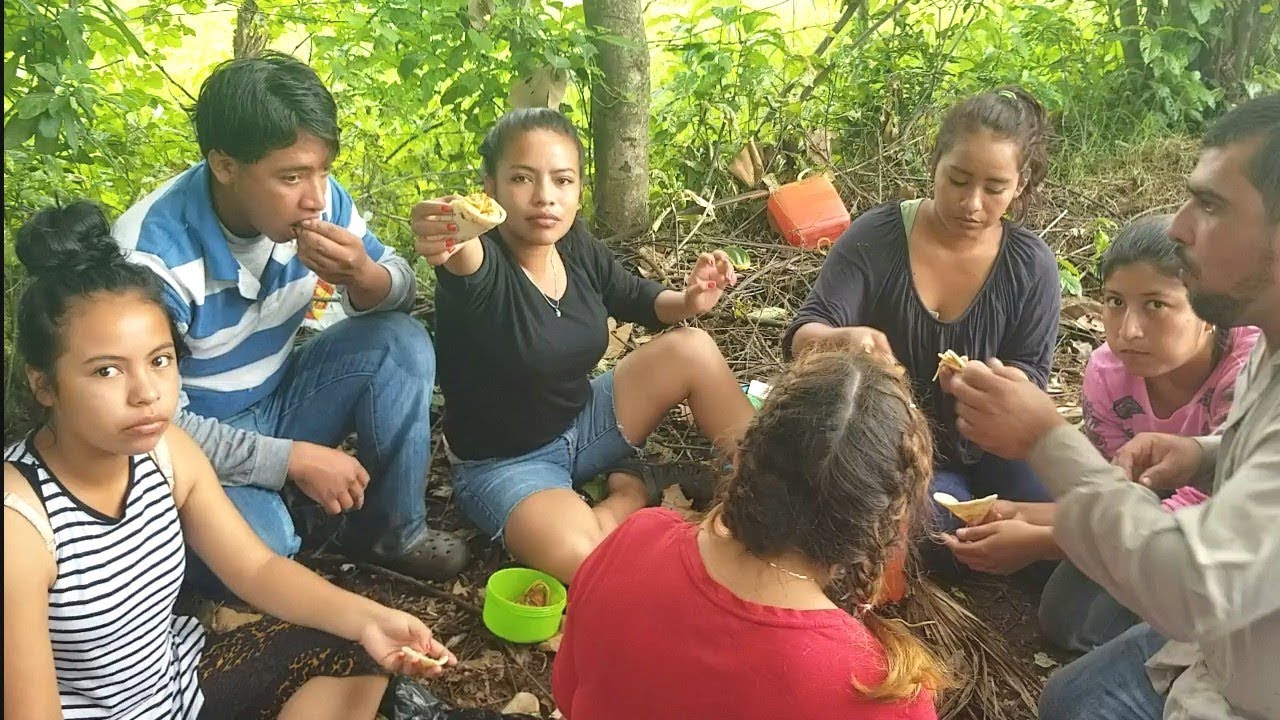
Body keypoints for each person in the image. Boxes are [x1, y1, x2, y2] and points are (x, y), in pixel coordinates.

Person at [2, 202, 457, 720]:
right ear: (43, 384)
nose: (146, 393)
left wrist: (372, 619)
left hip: (183, 690)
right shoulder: (21, 524)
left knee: (359, 652)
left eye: (160, 360)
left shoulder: (166, 452)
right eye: (106, 371)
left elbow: (258, 568)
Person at [944, 95, 1279, 720]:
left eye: (1210, 205)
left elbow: (1190, 588)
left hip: (1249, 672)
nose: (1179, 227)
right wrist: (1206, 454)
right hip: (1217, 646)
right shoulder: (1267, 341)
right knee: (1069, 696)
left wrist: (1046, 440)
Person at [111, 52, 467, 592]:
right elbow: (156, 426)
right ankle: (241, 533)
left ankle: (394, 533)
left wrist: (364, 276)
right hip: (191, 437)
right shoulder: (152, 259)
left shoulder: (322, 203)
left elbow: (398, 284)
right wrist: (290, 460)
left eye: (323, 169)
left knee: (400, 341)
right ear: (225, 165)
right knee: (267, 547)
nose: (315, 195)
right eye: (291, 176)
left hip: (281, 396)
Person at [410, 108, 755, 583]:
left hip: (584, 422)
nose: (545, 198)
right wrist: (444, 226)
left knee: (692, 348)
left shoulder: (574, 244)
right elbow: (456, 248)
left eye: (563, 180)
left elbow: (633, 296)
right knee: (584, 558)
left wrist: (690, 298)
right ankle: (630, 495)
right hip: (506, 466)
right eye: (522, 179)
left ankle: (765, 490)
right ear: (488, 188)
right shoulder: (480, 265)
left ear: (578, 190)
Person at [550, 348, 945, 719]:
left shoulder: (636, 540)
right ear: (889, 523)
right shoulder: (884, 695)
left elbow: (569, 693)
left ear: (741, 458)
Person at [942, 215, 1260, 653]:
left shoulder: (1247, 371)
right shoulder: (1107, 373)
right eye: (1114, 302)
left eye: (1155, 305)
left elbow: (1200, 514)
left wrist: (1040, 539)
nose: (1128, 330)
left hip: (1228, 549)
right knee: (1064, 619)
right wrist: (1018, 513)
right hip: (1139, 520)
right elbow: (1108, 488)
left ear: (1208, 310)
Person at [783, 86, 1062, 560]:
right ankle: (990, 535)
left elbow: (1031, 380)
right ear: (934, 163)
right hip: (893, 448)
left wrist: (987, 386)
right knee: (903, 521)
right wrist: (843, 340)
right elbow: (803, 336)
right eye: (958, 180)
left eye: (995, 189)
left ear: (1020, 186)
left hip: (998, 449)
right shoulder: (876, 237)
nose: (972, 203)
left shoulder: (1031, 266)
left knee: (1069, 511)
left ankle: (1008, 532)